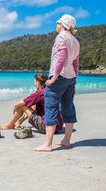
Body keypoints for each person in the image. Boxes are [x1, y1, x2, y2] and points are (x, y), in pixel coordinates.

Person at [33, 14, 80, 152]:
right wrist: (74, 81)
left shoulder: (61, 37)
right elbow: (76, 63)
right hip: (70, 77)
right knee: (68, 107)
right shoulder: (75, 41)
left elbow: (62, 58)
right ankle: (66, 140)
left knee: (51, 107)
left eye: (58, 22)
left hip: (59, 76)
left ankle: (47, 144)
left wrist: (53, 78)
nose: (56, 24)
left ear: (63, 25)